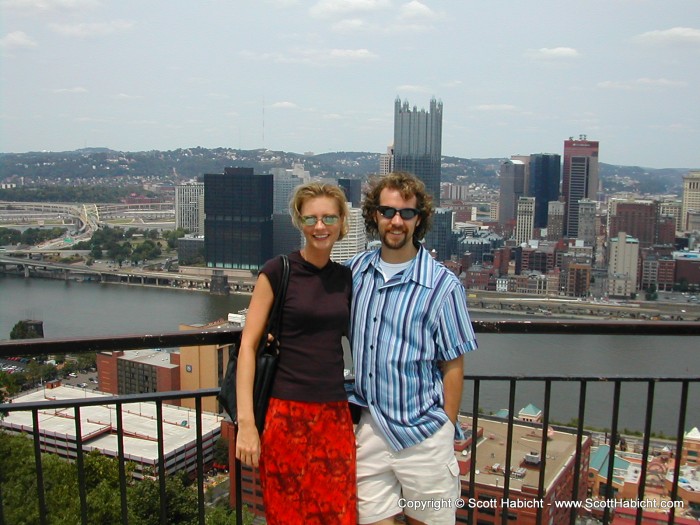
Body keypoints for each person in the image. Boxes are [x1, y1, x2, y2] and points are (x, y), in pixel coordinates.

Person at [347, 171, 478, 525]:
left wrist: (445, 428)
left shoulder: (442, 285)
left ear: (419, 219)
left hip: (423, 436)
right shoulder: (355, 273)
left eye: (406, 213)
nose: (396, 221)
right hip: (371, 431)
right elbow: (314, 314)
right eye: (388, 212)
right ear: (374, 215)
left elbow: (453, 364)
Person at [235, 182, 357, 524]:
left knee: (338, 514)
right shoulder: (277, 271)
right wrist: (247, 425)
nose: (320, 226)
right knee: (287, 515)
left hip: (334, 414)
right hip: (285, 416)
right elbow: (248, 346)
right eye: (311, 219)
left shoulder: (347, 278)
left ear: (342, 222)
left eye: (329, 217)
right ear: (299, 223)